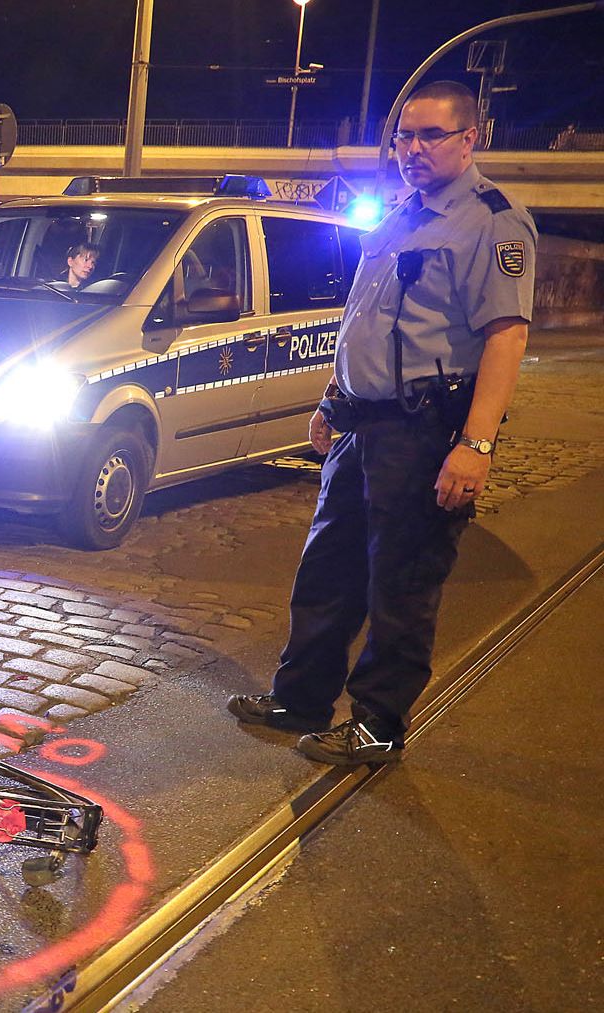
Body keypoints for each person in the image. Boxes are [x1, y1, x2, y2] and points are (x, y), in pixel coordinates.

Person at [228, 80, 537, 766]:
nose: (413, 149)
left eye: (431, 135)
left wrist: (475, 444)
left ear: (469, 138)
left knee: (401, 580)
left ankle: (377, 723)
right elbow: (366, 321)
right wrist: (333, 400)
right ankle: (300, 697)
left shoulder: (492, 221)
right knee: (327, 569)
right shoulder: (399, 214)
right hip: (362, 426)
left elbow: (506, 337)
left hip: (426, 429)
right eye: (405, 135)